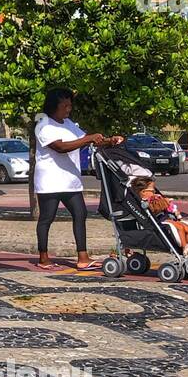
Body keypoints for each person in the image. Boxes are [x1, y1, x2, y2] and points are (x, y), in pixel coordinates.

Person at [34, 88, 122, 271]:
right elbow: (60, 147)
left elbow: (84, 139)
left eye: (70, 105)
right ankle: (43, 258)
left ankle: (82, 257)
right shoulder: (44, 125)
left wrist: (109, 141)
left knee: (80, 214)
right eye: (64, 106)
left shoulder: (69, 124)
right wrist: (89, 138)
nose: (68, 109)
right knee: (47, 218)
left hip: (70, 180)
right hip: (49, 181)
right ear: (53, 106)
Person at [128, 174, 188, 256]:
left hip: (167, 218)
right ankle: (185, 248)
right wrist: (158, 204)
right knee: (180, 227)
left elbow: (168, 207)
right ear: (143, 192)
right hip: (159, 221)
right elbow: (152, 211)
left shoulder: (156, 198)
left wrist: (167, 204)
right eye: (152, 191)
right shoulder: (143, 203)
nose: (154, 192)